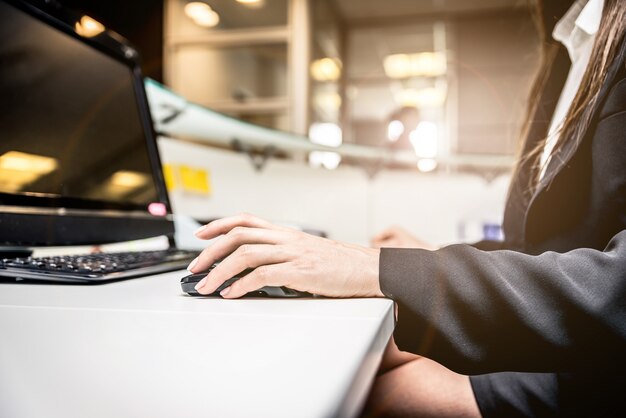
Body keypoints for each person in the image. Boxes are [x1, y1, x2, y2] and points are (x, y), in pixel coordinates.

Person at [187, 0, 626, 416]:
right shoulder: (571, 41)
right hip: (564, 339)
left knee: (363, 392)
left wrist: (382, 268)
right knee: (331, 347)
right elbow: (545, 245)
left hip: (597, 372)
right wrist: (426, 257)